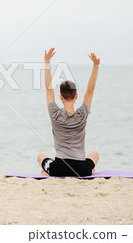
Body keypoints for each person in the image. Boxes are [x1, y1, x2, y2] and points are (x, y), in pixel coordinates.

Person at [37, 47, 100, 177]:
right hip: (81, 169)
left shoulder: (54, 113)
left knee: (41, 156)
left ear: (60, 96)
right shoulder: (82, 113)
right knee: (94, 154)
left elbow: (49, 89)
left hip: (59, 168)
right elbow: (90, 90)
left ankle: (46, 173)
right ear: (76, 96)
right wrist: (96, 65)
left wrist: (47, 62)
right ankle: (91, 171)